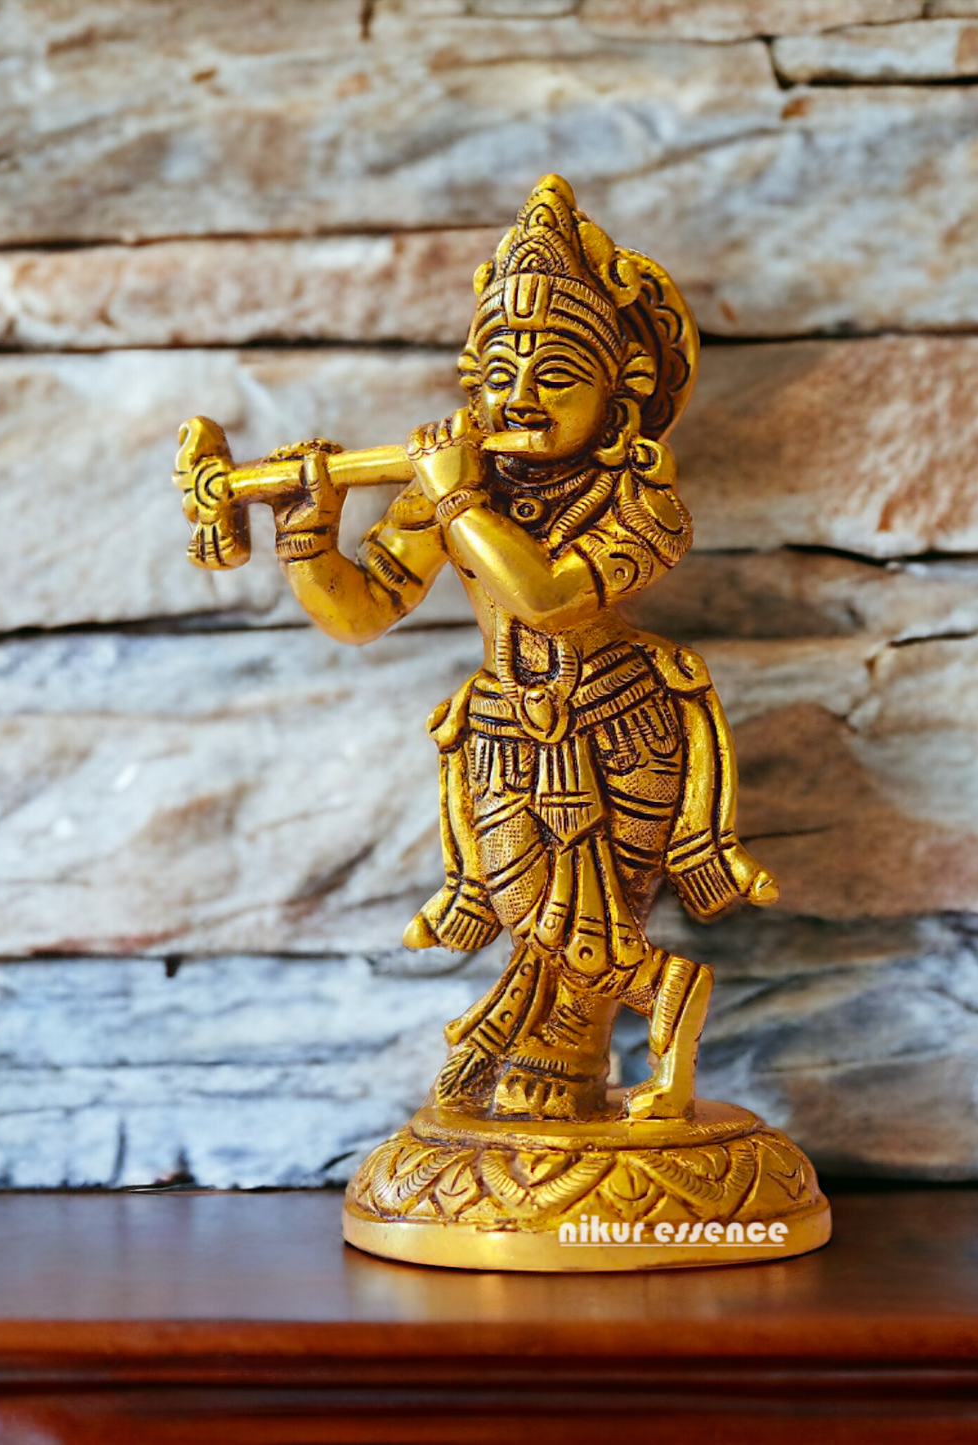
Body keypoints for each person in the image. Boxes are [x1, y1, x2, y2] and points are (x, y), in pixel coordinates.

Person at [212, 175, 777, 1123]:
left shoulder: (639, 505)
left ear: (622, 392)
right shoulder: (458, 487)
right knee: (524, 911)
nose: (517, 396)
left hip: (618, 724)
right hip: (501, 728)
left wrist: (457, 499)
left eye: (553, 375)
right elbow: (363, 610)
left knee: (593, 919)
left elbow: (547, 598)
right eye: (497, 372)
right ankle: (574, 1030)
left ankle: (591, 1046)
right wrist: (307, 532)